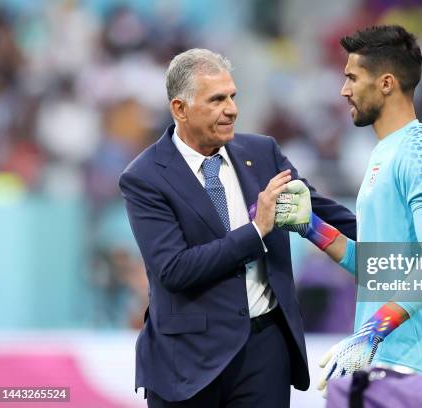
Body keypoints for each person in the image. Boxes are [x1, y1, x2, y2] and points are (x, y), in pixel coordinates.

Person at [118, 48, 356, 407]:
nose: (231, 109)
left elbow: (328, 213)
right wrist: (256, 230)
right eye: (216, 100)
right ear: (180, 109)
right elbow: (174, 270)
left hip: (265, 351)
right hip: (187, 361)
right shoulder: (145, 177)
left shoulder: (262, 153)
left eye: (232, 96)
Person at [275, 25, 422, 391]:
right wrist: (311, 227)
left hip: (414, 366)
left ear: (387, 83)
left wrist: (370, 333)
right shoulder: (385, 151)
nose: (344, 90)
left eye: (351, 78)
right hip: (384, 362)